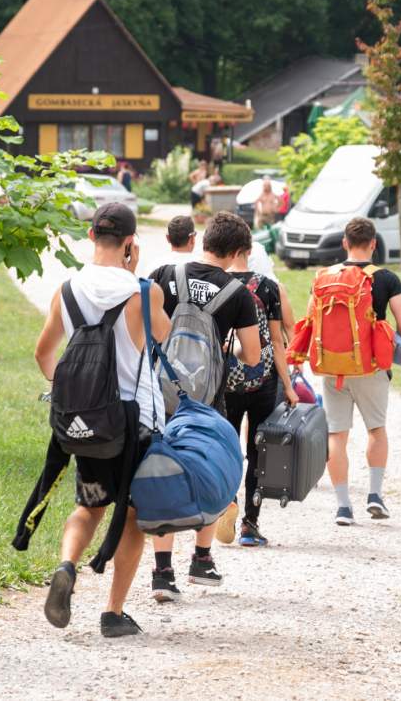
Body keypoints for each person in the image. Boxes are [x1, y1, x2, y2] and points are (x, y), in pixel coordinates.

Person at [29, 203, 171, 638]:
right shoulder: (144, 292)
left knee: (88, 506)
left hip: (87, 423)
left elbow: (43, 353)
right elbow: (162, 337)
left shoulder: (66, 290)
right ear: (130, 242)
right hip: (135, 423)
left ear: (91, 235)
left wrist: (75, 389)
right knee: (131, 516)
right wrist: (138, 272)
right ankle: (113, 612)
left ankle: (66, 565)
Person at [147, 211, 263, 600]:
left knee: (160, 471)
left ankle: (162, 573)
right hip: (207, 400)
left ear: (203, 240)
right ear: (236, 253)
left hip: (162, 393)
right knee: (212, 467)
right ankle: (201, 560)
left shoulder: (164, 274)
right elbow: (252, 356)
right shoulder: (238, 294)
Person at [323, 216, 401, 526]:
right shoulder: (385, 278)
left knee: (337, 435)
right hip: (371, 367)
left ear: (344, 243)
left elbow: (312, 319)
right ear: (373, 244)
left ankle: (343, 506)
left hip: (334, 367)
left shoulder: (326, 276)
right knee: (376, 429)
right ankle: (374, 495)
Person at [223, 237, 300, 548]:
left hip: (226, 381)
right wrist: (289, 386)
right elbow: (279, 342)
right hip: (263, 381)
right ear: (250, 251)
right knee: (258, 450)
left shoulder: (217, 283)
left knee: (227, 445)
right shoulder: (268, 287)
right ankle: (250, 525)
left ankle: (226, 503)